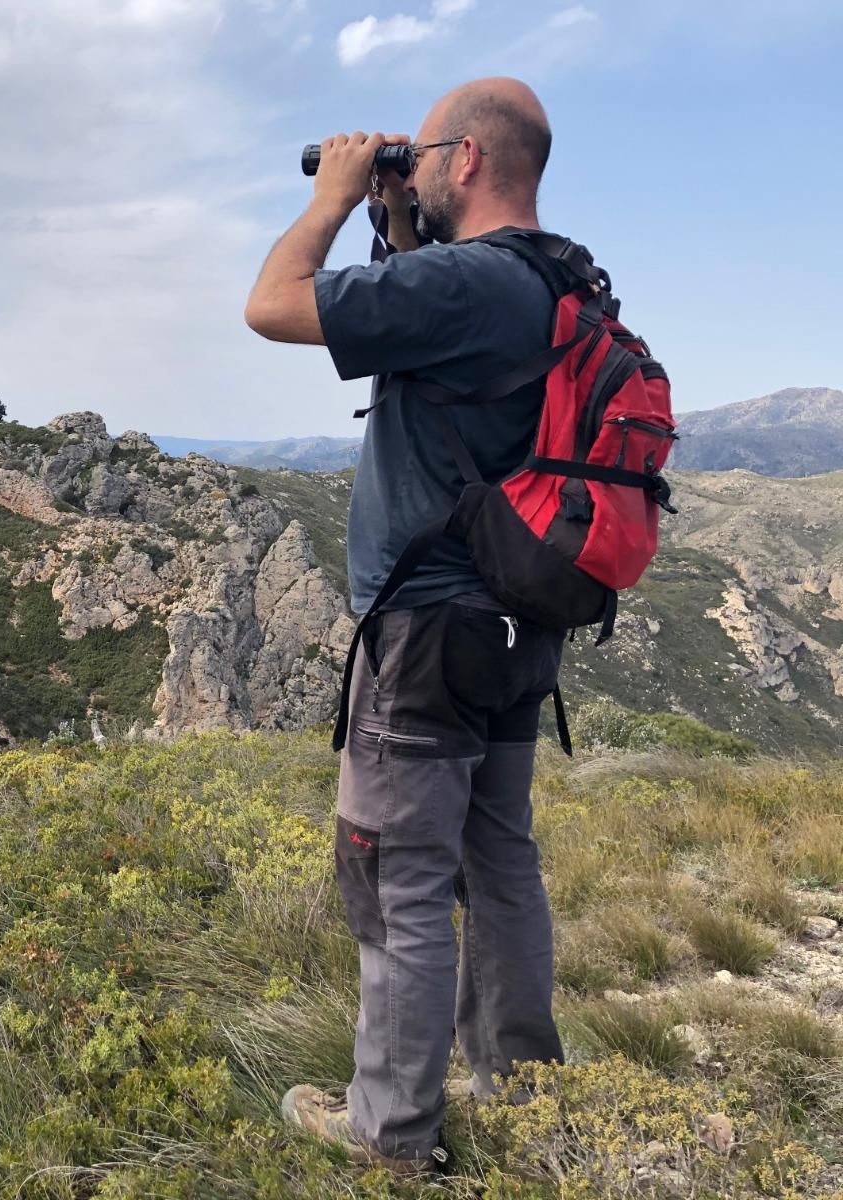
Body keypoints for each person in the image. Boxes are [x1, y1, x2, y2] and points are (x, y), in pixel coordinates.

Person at [242, 77, 569, 1173]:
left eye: (425, 153)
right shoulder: (551, 279)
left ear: (466, 159)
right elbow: (422, 335)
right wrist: (394, 217)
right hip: (519, 629)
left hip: (425, 635)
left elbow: (274, 303)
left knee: (397, 882)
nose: (413, 166)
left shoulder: (467, 280)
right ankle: (525, 1097)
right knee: (499, 861)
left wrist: (333, 198)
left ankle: (388, 1134)